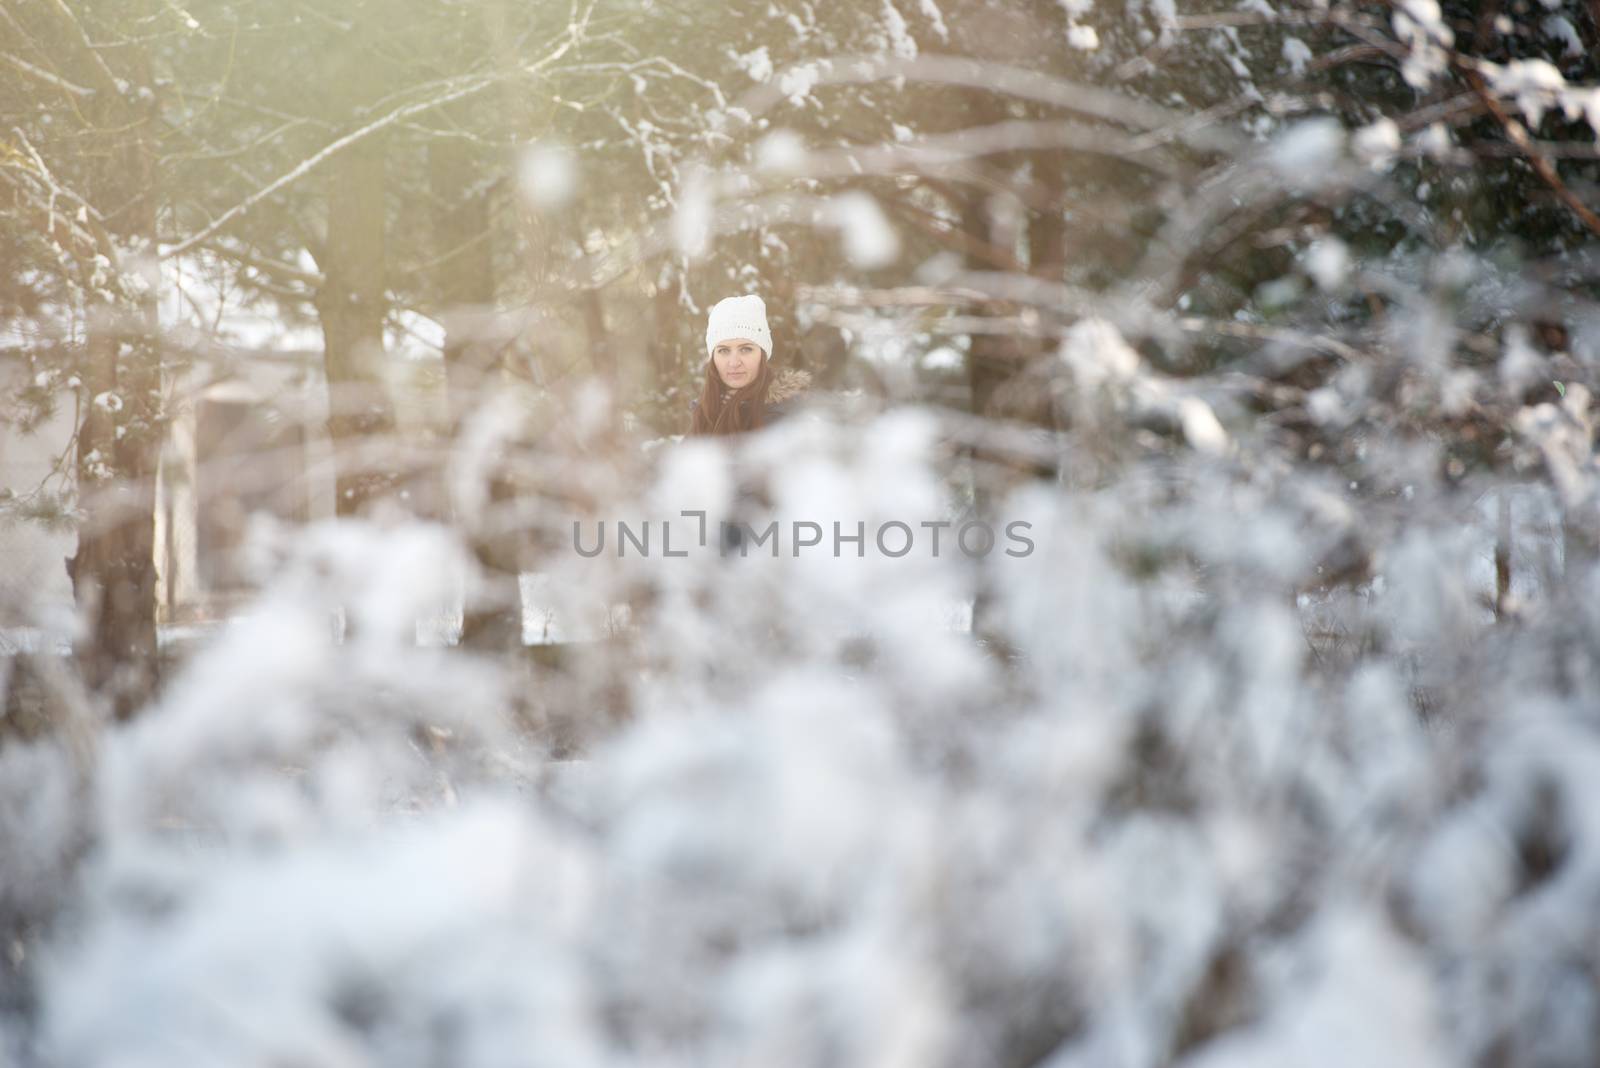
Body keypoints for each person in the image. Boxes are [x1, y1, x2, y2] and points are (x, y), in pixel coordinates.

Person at [688, 294, 810, 436]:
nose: (734, 363)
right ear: (713, 357)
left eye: (745, 349)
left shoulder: (787, 421)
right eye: (724, 350)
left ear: (762, 354)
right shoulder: (704, 415)